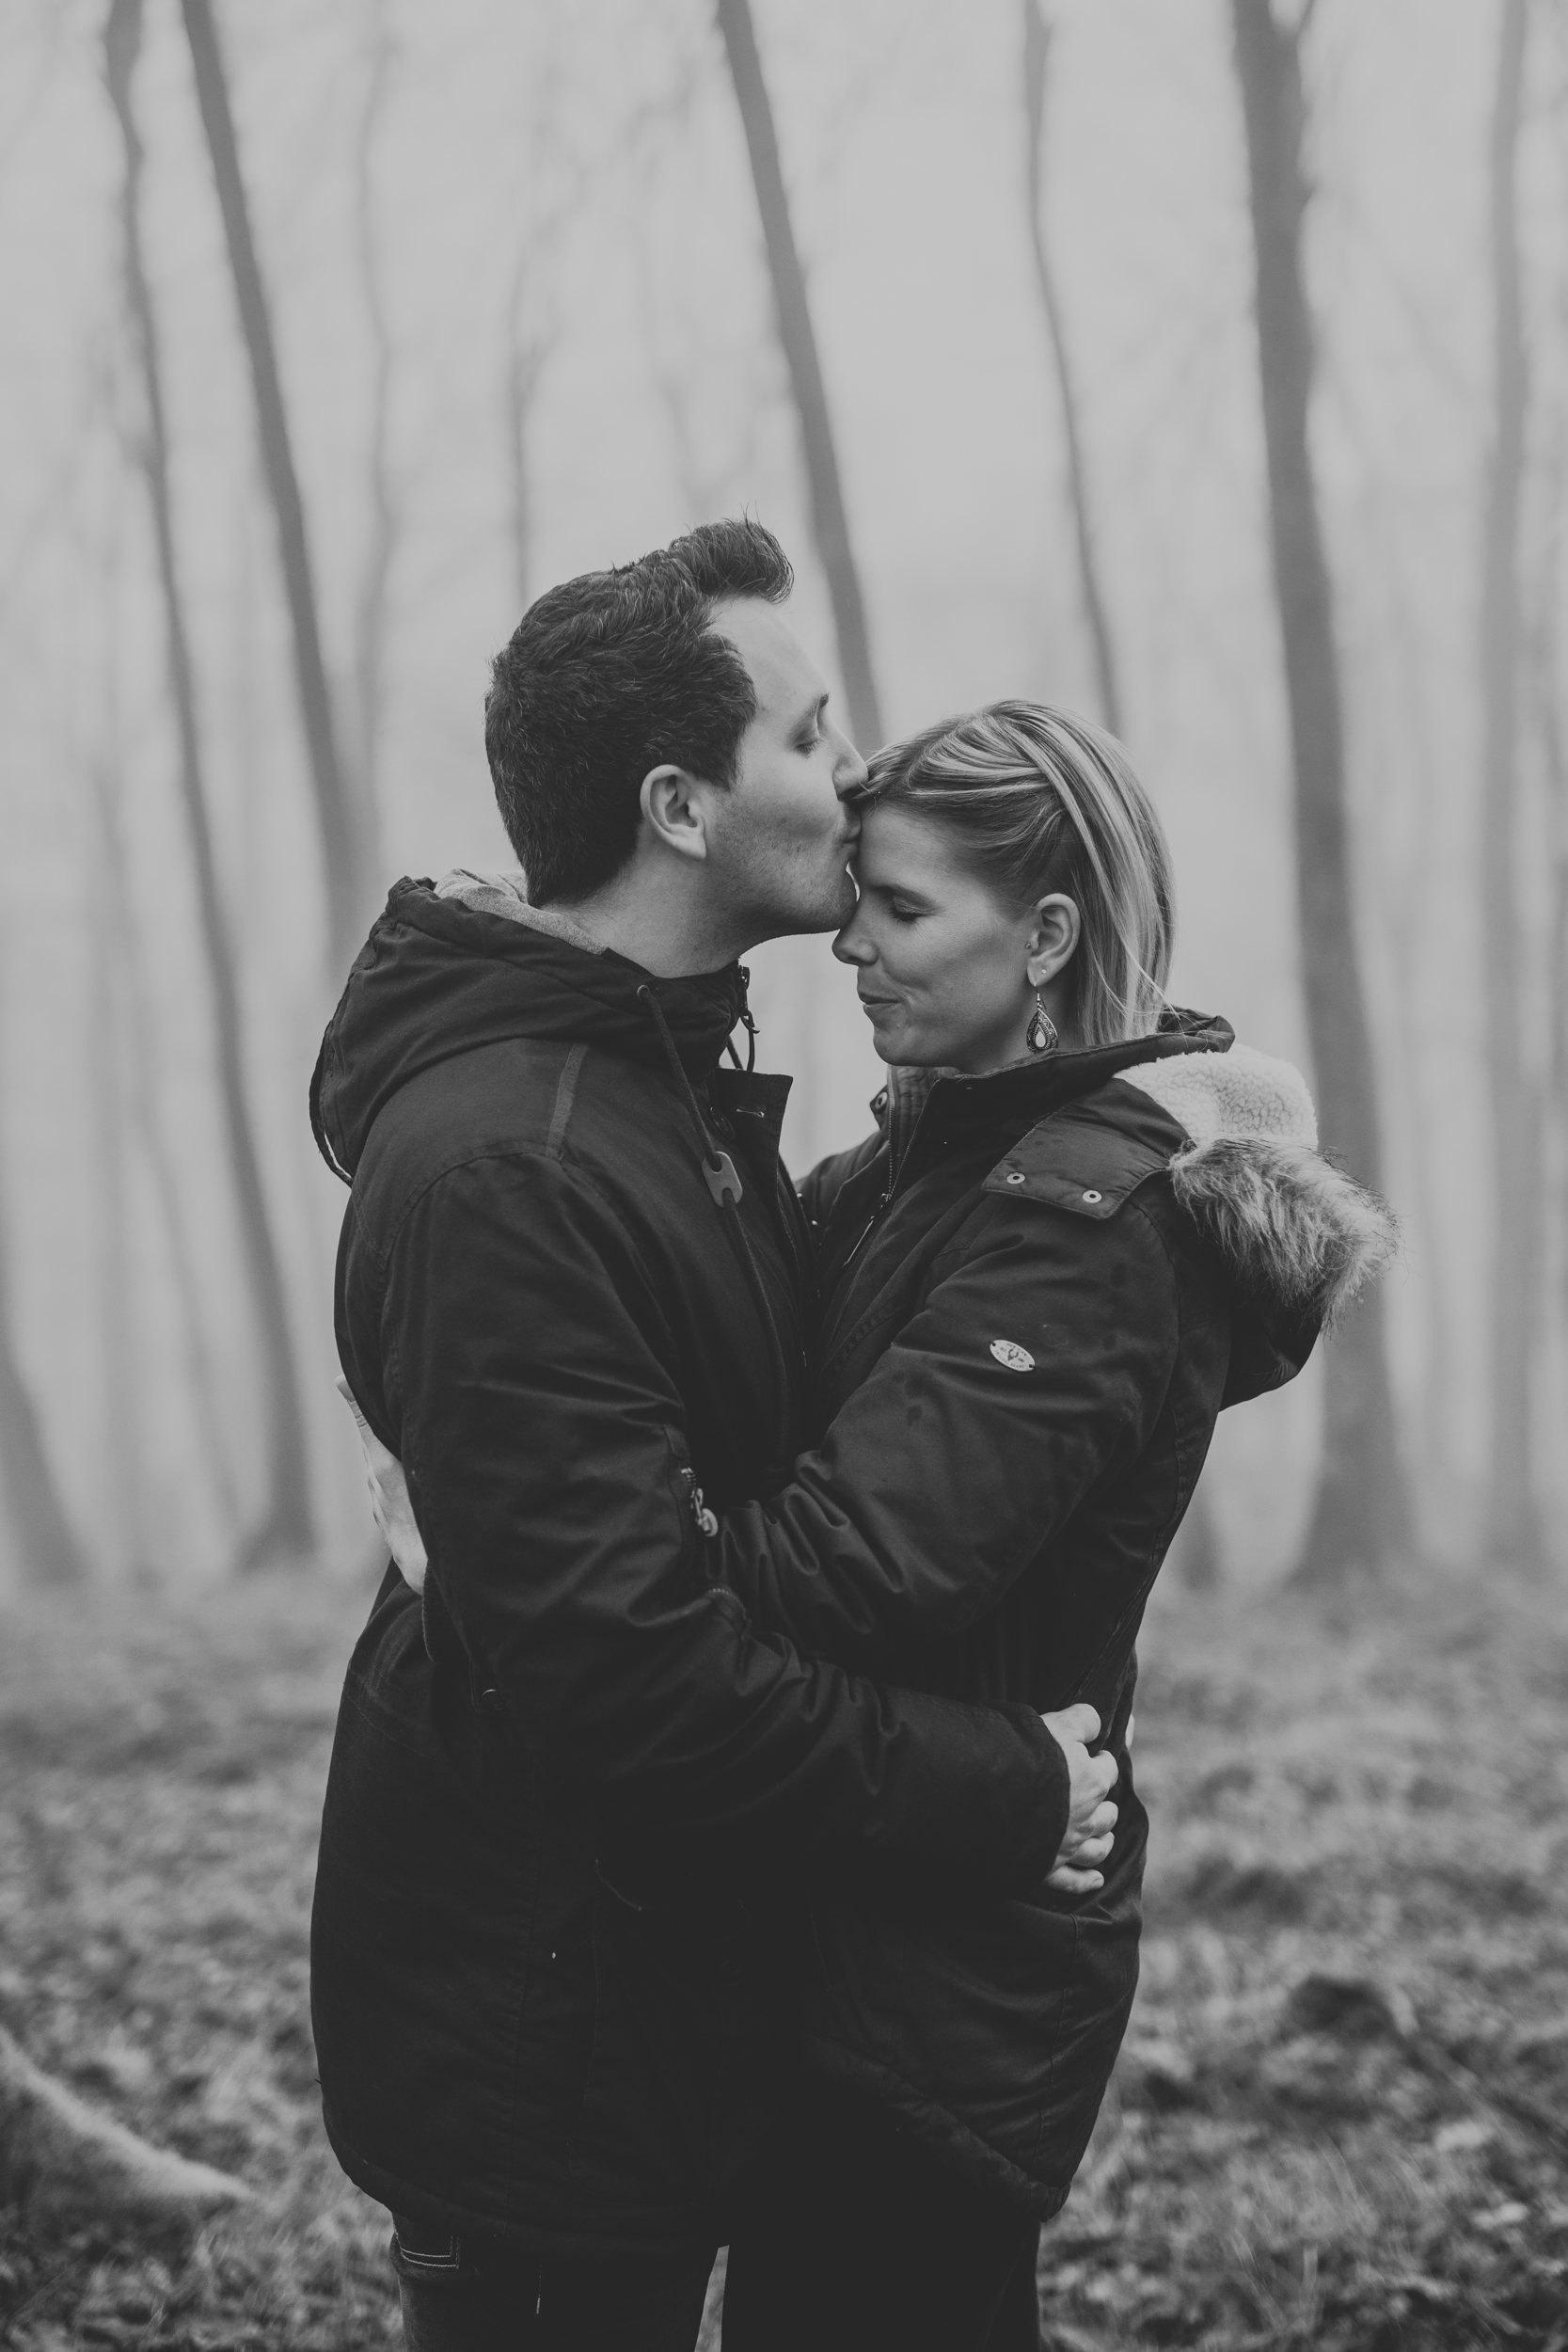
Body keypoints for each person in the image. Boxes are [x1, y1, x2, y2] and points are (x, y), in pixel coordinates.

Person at [309, 525, 1117, 2352]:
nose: (856, 769)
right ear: (679, 806)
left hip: (649, 1998)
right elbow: (631, 1676)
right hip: (541, 2042)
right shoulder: (517, 1166)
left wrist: (1152, 1112)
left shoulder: (653, 1086)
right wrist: (1007, 1791)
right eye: (810, 735)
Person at [700, 701, 1397, 2349]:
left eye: (902, 909)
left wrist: (558, 1535)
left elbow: (851, 1569)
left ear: (1047, 937)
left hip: (937, 1979)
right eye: (857, 899)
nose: (849, 946)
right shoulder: (927, 1163)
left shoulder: (1088, 1227)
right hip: (869, 1907)